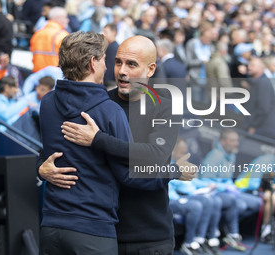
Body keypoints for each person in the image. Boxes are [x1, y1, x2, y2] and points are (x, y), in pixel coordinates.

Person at [38, 35, 197, 255]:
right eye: (118, 62)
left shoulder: (165, 107)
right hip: (103, 231)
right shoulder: (101, 102)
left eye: (132, 64)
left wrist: (98, 140)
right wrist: (41, 167)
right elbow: (56, 146)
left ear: (150, 70)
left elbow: (155, 156)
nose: (122, 70)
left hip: (149, 235)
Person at [244, 57, 275, 140]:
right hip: (262, 127)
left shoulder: (263, 83)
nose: (249, 67)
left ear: (261, 68)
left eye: (252, 65)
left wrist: (253, 126)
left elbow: (264, 108)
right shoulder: (257, 82)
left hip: (264, 129)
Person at [30, 7, 69, 72]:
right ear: (57, 18)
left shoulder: (37, 34)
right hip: (56, 74)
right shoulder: (63, 35)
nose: (67, 20)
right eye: (65, 17)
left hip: (38, 73)